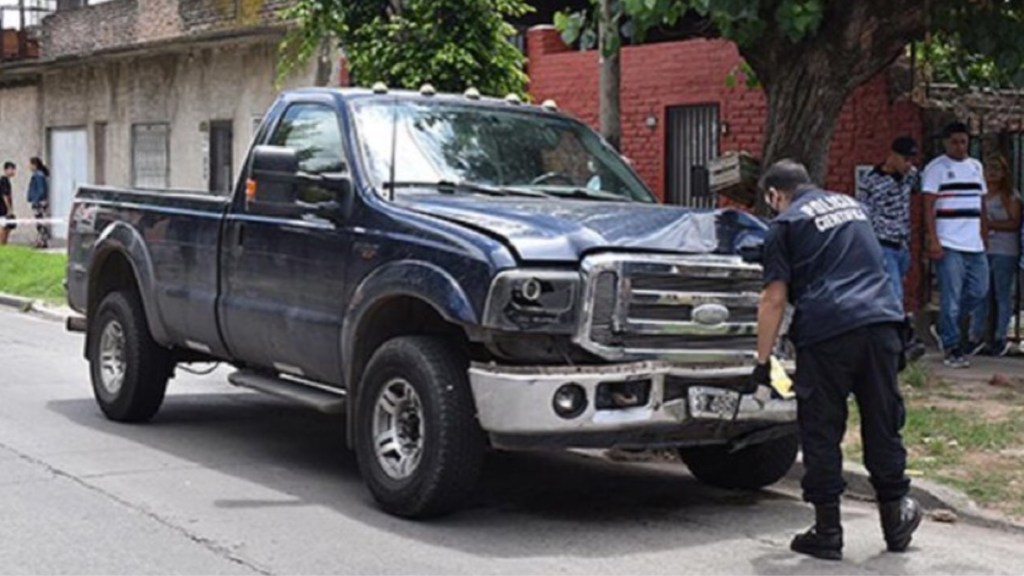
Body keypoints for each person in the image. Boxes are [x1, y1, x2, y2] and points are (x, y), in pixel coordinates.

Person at [753, 159, 921, 561]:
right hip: (882, 323)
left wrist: (762, 362)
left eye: (770, 201)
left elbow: (773, 298)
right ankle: (895, 519)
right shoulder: (853, 206)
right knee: (883, 418)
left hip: (827, 330)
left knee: (821, 427)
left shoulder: (786, 223)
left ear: (775, 194)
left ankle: (828, 530)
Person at [922, 122, 989, 368]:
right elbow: (928, 205)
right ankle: (952, 345)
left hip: (974, 242)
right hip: (949, 241)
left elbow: (981, 201)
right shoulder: (936, 169)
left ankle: (944, 327)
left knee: (979, 290)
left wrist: (983, 231)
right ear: (946, 143)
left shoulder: (975, 167)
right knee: (950, 297)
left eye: (963, 141)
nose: (960, 147)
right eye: (955, 142)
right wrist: (933, 238)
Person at [856, 136, 926, 360]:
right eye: (905, 159)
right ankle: (901, 342)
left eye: (911, 160)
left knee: (894, 293)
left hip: (902, 245)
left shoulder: (910, 177)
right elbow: (862, 213)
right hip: (882, 244)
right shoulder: (871, 180)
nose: (908, 164)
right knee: (894, 294)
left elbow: (924, 189)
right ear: (892, 156)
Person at [969, 155, 1021, 356]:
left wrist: (988, 224)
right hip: (982, 248)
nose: (992, 173)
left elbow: (1014, 223)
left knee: (1002, 294)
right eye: (989, 168)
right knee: (981, 293)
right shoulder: (979, 194)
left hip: (1004, 251)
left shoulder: (1010, 196)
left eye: (997, 169)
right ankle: (975, 335)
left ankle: (1001, 337)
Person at [27, 156, 50, 249]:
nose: (28, 166)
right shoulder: (40, 175)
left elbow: (41, 190)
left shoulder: (38, 175)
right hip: (41, 201)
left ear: (34, 165)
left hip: (39, 203)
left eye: (30, 164)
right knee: (40, 222)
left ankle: (42, 241)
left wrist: (35, 200)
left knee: (40, 222)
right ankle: (42, 240)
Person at [0, 162, 14, 246]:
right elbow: (5, 195)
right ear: (6, 169)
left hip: (4, 208)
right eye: (11, 169)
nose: (13, 171)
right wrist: (9, 208)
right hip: (2, 208)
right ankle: (2, 244)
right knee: (3, 227)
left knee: (7, 226)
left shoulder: (6, 181)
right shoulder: (4, 181)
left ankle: (4, 245)